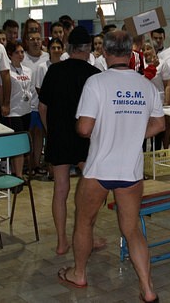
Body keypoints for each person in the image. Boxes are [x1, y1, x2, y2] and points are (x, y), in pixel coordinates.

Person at [58, 30, 164, 303]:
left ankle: (79, 273)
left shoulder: (96, 83)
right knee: (132, 229)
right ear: (131, 53)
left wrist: (93, 129)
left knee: (84, 222)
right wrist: (132, 134)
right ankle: (148, 288)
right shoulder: (146, 86)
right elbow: (159, 124)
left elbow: (84, 128)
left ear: (104, 52)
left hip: (99, 169)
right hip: (130, 171)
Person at [39, 26, 101, 255]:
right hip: (85, 136)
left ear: (68, 47)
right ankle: (87, 238)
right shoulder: (94, 74)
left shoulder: (54, 70)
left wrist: (51, 132)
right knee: (89, 191)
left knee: (60, 189)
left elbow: (42, 107)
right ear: (87, 49)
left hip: (59, 136)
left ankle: (62, 242)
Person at [2, 42, 33, 180]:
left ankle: (17, 172)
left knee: (23, 141)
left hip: (26, 110)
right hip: (13, 111)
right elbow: (2, 90)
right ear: (10, 54)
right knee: (17, 143)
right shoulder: (6, 71)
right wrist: (5, 105)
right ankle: (18, 175)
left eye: (22, 52)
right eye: (17, 52)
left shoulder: (28, 70)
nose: (20, 55)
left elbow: (29, 88)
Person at [21, 30, 49, 176]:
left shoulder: (47, 57)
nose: (36, 42)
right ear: (27, 41)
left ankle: (37, 164)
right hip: (25, 105)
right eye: (32, 39)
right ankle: (27, 164)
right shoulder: (23, 57)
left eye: (38, 39)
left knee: (39, 135)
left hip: (42, 104)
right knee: (28, 135)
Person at [143, 41, 170, 150]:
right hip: (143, 102)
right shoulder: (139, 63)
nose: (146, 51)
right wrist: (152, 66)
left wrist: (167, 102)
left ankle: (157, 154)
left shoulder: (162, 64)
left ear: (155, 50)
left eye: (148, 48)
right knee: (143, 131)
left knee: (158, 132)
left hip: (158, 101)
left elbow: (168, 84)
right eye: (143, 49)